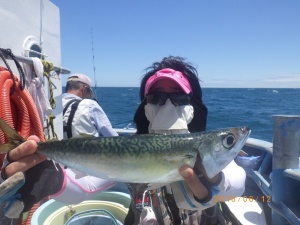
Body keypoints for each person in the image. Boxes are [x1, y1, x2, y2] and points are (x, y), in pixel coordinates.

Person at [0, 56, 246, 224]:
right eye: (157, 98)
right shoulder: (128, 149)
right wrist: (52, 180)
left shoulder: (207, 150)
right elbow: (83, 187)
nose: (168, 105)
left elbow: (237, 184)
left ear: (194, 106)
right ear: (145, 107)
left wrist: (215, 187)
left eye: (180, 97)